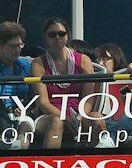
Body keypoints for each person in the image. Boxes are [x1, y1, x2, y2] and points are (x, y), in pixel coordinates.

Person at [28, 16, 99, 149]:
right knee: (57, 122)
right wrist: (65, 117)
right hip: (49, 115)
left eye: (61, 34)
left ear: (68, 36)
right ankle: (48, 164)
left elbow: (89, 98)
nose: (57, 38)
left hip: (79, 113)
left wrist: (78, 117)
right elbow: (43, 102)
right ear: (46, 38)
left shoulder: (84, 60)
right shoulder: (38, 63)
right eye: (52, 34)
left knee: (98, 119)